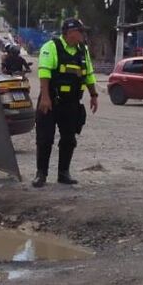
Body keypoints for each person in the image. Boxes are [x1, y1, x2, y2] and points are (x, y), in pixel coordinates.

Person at [33, 18, 99, 187]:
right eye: (81, 31)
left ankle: (63, 173)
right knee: (45, 139)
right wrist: (45, 98)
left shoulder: (83, 51)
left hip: (71, 104)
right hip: (51, 101)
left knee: (69, 139)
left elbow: (88, 74)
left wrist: (94, 94)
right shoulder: (51, 47)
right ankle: (41, 174)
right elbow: (44, 73)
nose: (84, 35)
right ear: (70, 33)